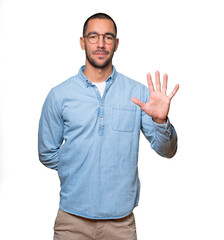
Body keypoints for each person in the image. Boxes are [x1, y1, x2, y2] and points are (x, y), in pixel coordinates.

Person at [38, 12, 179, 240]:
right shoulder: (59, 95)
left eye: (108, 37)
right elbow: (46, 152)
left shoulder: (139, 94)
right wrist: (77, 167)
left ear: (116, 44)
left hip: (121, 224)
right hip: (72, 222)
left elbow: (167, 151)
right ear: (82, 42)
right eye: (93, 37)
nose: (101, 44)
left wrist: (160, 121)